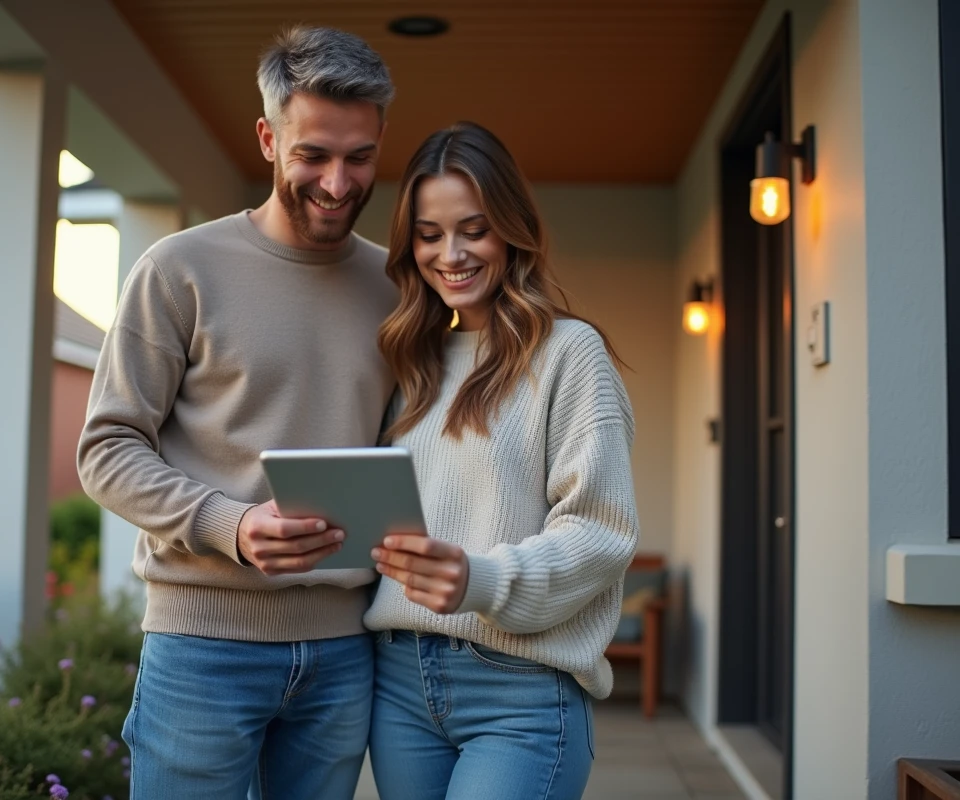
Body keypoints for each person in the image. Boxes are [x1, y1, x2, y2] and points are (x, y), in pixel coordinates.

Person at [77, 26, 397, 799]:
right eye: (312, 154)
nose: (337, 181)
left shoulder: (396, 287)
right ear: (266, 137)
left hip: (345, 650)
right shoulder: (179, 270)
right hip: (201, 646)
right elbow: (107, 449)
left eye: (359, 157)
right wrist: (230, 523)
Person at [364, 121, 640, 800]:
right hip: (398, 685)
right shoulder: (409, 361)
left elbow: (601, 533)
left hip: (518, 690)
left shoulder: (570, 356)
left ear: (512, 229)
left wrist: (481, 579)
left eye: (474, 228)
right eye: (429, 234)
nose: (450, 254)